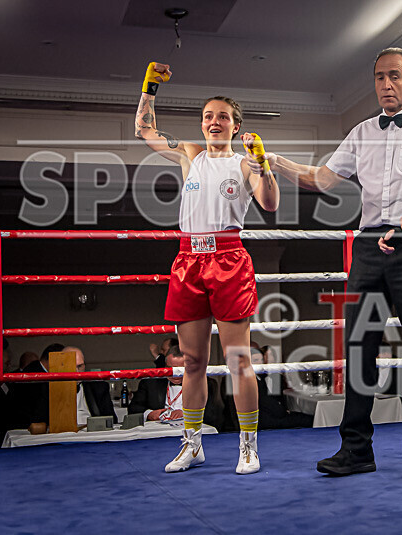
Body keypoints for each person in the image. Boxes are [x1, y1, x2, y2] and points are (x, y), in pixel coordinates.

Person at [247, 47, 402, 480]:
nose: (386, 84)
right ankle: (357, 450)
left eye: (394, 76)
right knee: (359, 347)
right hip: (368, 243)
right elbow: (324, 179)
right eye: (380, 77)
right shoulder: (363, 131)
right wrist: (276, 162)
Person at [134, 61, 279, 474]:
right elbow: (145, 130)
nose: (214, 122)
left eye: (223, 117)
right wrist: (149, 89)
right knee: (193, 362)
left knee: (237, 360)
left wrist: (262, 162)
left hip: (229, 257)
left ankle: (248, 446)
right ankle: (192, 443)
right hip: (188, 259)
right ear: (202, 125)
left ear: (236, 126)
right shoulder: (191, 154)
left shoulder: (244, 162)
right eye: (208, 116)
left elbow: (270, 204)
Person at [128, 345, 224, 426]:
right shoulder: (150, 383)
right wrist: (149, 414)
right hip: (156, 434)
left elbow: (214, 415)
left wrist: (187, 414)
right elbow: (133, 409)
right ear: (165, 367)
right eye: (170, 369)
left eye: (180, 370)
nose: (175, 374)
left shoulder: (205, 384)